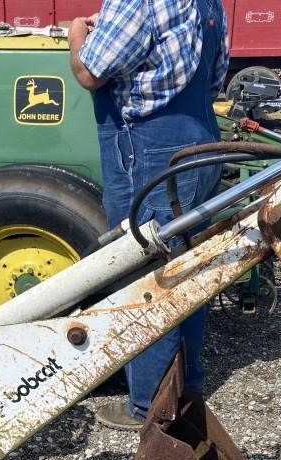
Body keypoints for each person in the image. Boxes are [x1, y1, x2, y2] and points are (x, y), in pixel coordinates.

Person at [68, 0, 228, 430]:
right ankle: (187, 386)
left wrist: (75, 32)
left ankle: (148, 406)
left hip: (149, 151)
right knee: (190, 273)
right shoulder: (209, 4)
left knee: (144, 279)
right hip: (202, 142)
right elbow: (214, 81)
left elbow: (89, 72)